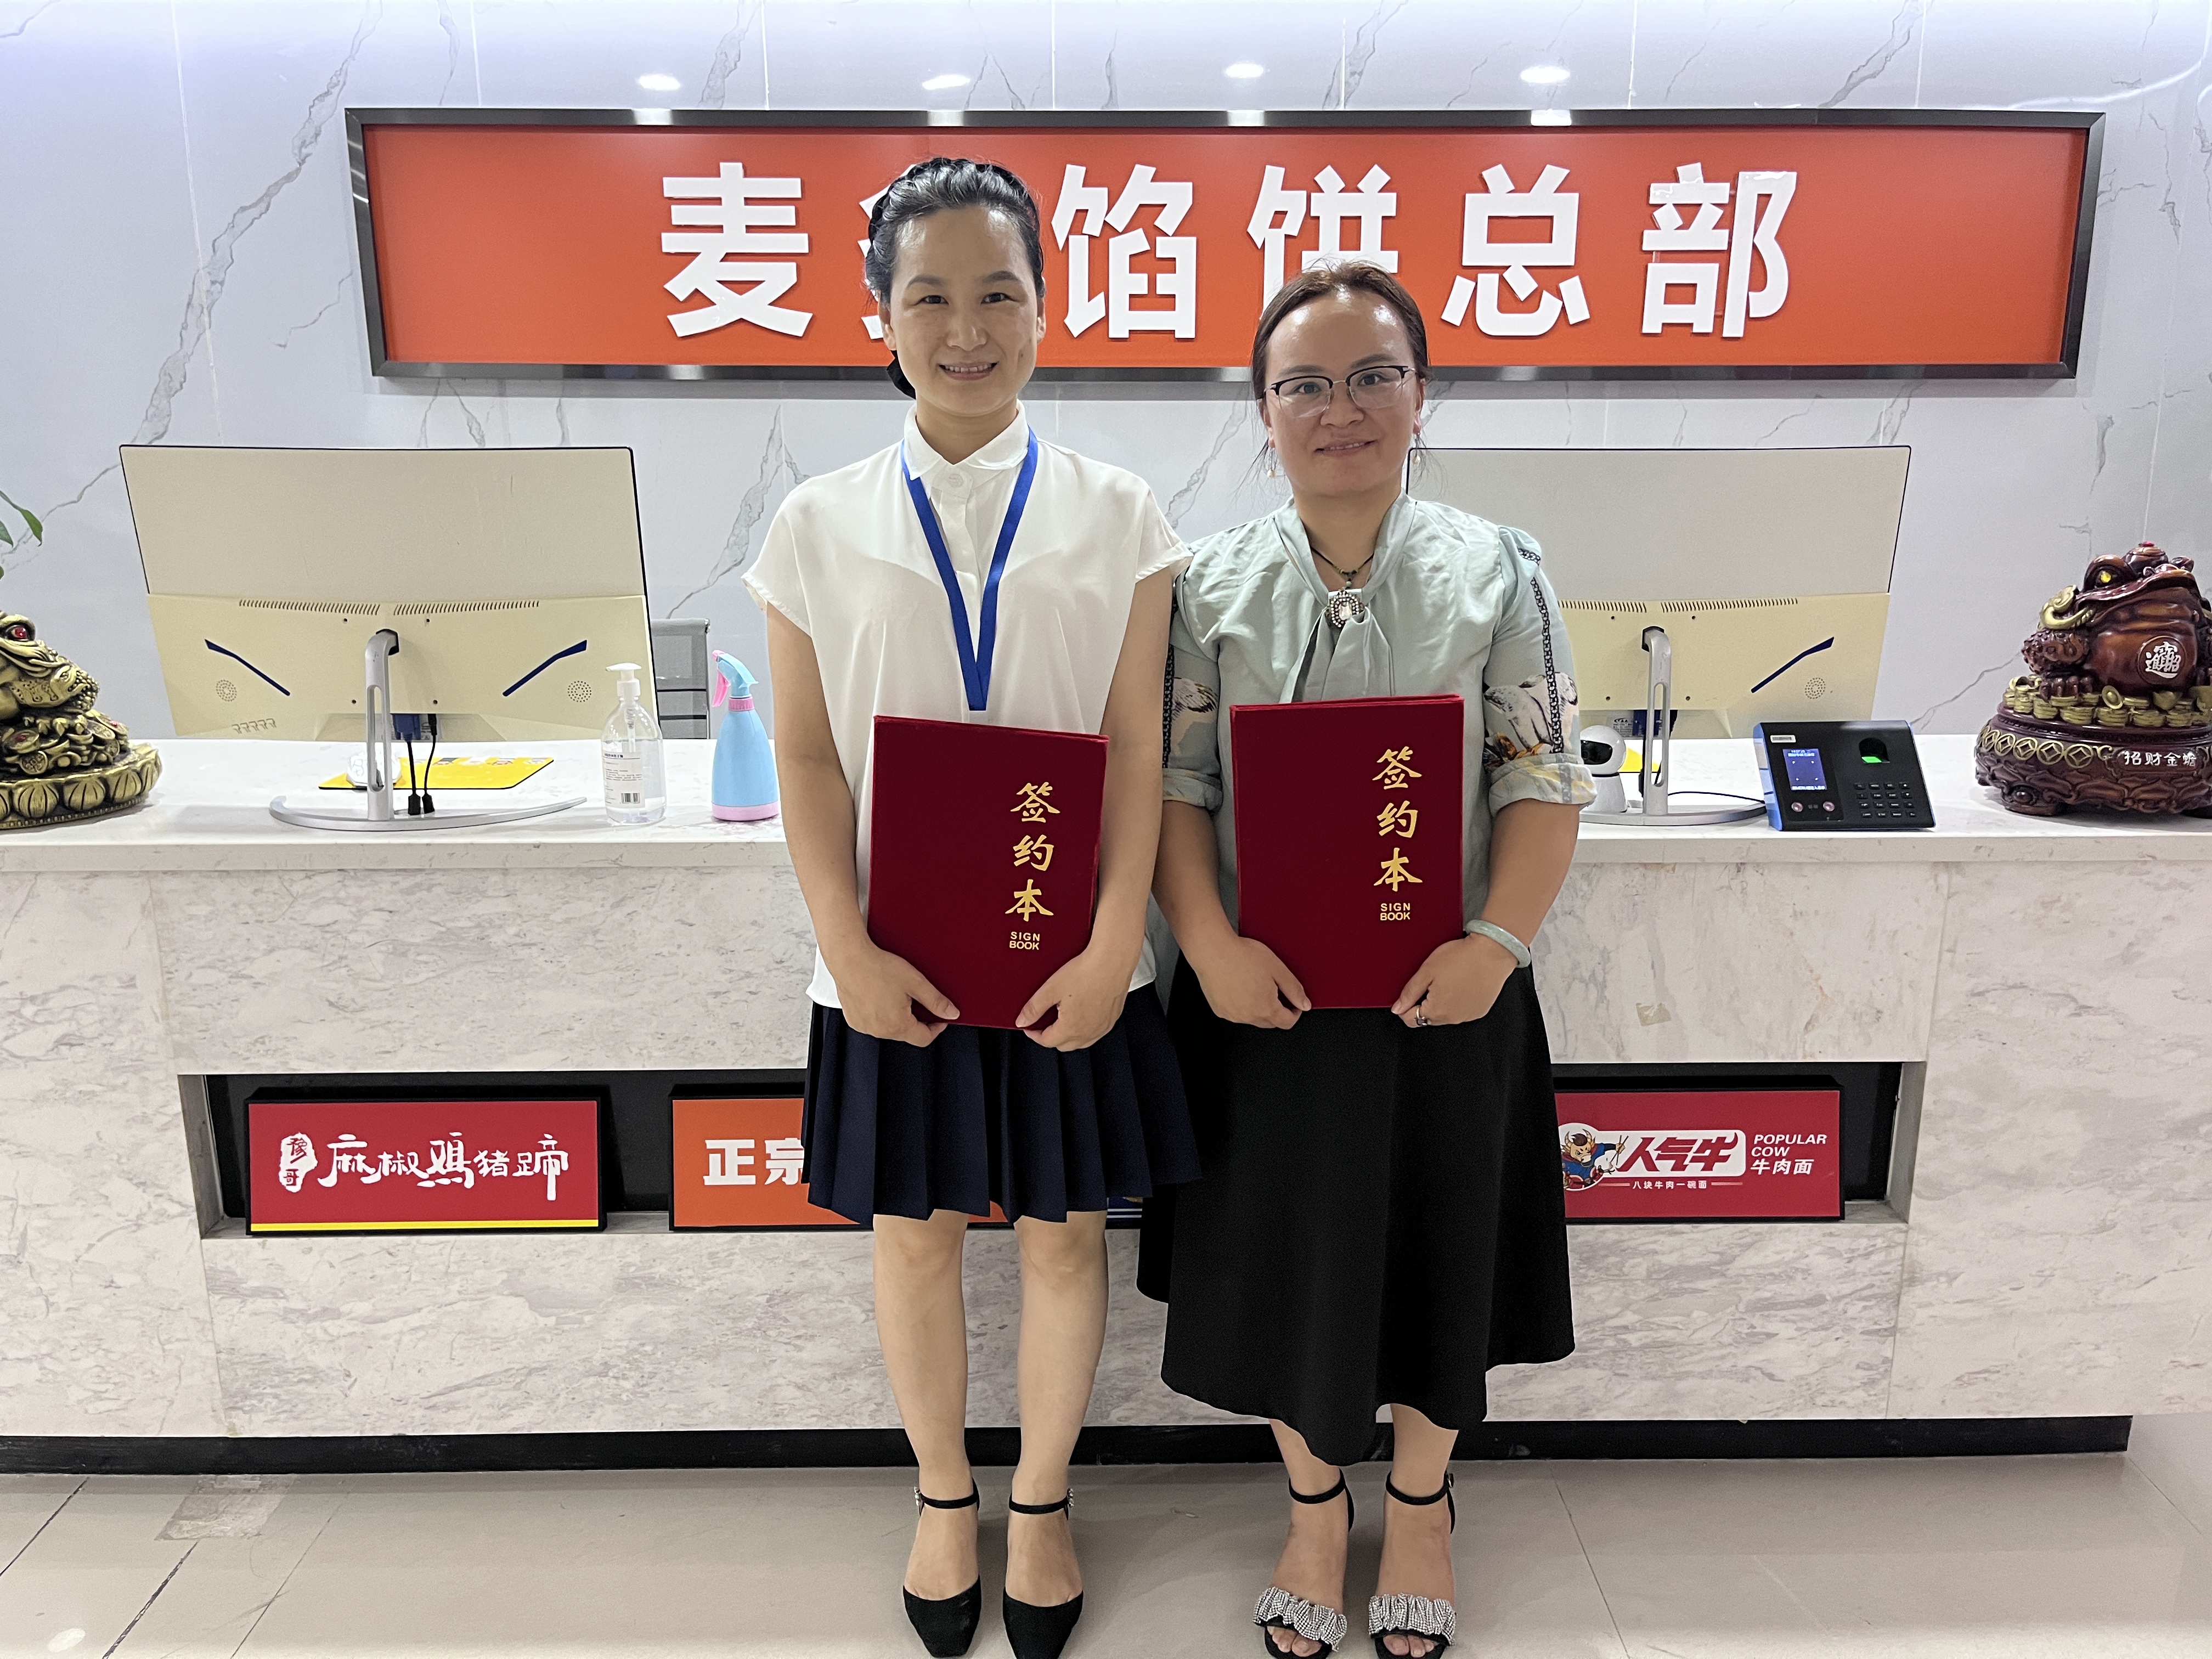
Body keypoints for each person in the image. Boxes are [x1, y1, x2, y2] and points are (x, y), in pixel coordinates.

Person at [745, 157, 1197, 1659]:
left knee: (1068, 1240)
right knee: (917, 1234)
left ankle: (1047, 1499)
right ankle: (947, 1496)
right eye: (929, 294)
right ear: (879, 313)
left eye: (998, 291)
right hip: (893, 958)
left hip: (1073, 956)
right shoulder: (815, 522)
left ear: (1045, 310)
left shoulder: (1121, 513)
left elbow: (1140, 746)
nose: (965, 326)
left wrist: (1114, 934)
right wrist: (845, 947)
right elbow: (806, 754)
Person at [1142, 262, 1593, 1659]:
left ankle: (1421, 1506)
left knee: (1441, 1252)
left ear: (1421, 394)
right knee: (1289, 1262)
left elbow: (1538, 775)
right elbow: (1173, 790)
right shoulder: (1202, 586)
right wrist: (1206, 944)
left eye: (1372, 376)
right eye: (1304, 385)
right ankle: (1313, 1504)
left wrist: (1500, 943)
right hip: (1260, 1003)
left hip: (1446, 992)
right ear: (1260, 414)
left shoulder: (1499, 566)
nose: (1340, 409)